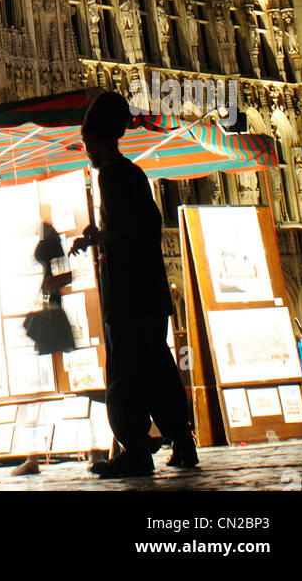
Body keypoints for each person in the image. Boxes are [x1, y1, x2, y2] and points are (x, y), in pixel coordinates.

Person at [70, 91, 198, 478]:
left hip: (127, 291)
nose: (86, 149)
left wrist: (98, 238)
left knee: (125, 371)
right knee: (158, 365)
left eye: (87, 141)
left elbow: (130, 229)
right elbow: (147, 223)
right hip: (151, 289)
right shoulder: (134, 172)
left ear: (98, 138)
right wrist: (104, 233)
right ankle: (183, 441)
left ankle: (136, 448)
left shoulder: (109, 173)